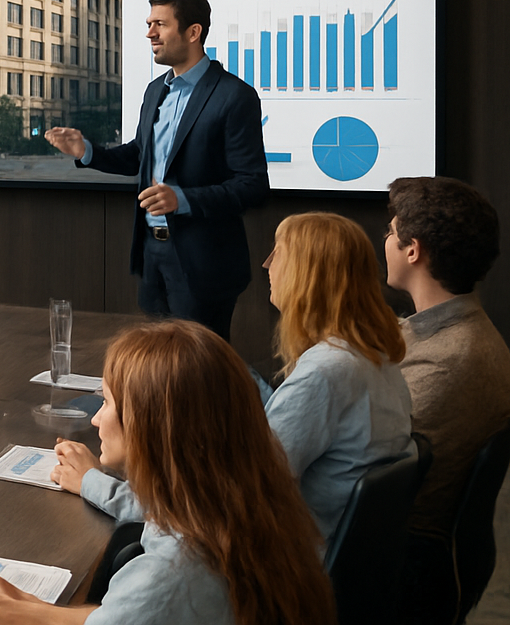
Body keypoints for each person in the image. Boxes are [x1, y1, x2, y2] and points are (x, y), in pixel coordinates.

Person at [57, 211, 413, 550]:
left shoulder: (325, 373)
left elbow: (220, 506)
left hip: (287, 561)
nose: (267, 264)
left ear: (306, 275)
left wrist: (93, 482)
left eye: (278, 253)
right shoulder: (377, 357)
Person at [0, 320, 335, 625]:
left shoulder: (171, 572)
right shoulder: (246, 513)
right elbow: (134, 616)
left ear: (149, 427)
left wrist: (14, 618)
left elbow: (153, 602)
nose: (95, 419)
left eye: (107, 402)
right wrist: (30, 609)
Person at [45, 0, 268, 339]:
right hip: (153, 254)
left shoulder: (234, 96)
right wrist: (86, 151)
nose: (150, 33)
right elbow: (140, 155)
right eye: (149, 24)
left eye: (160, 24)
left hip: (204, 263)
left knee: (197, 365)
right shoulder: (155, 91)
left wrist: (183, 199)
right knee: (157, 362)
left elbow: (252, 185)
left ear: (193, 32)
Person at [383, 176, 509, 622]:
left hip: (398, 561)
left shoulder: (449, 361)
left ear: (412, 250)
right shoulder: (458, 332)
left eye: (391, 232)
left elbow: (367, 468)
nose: (385, 240)